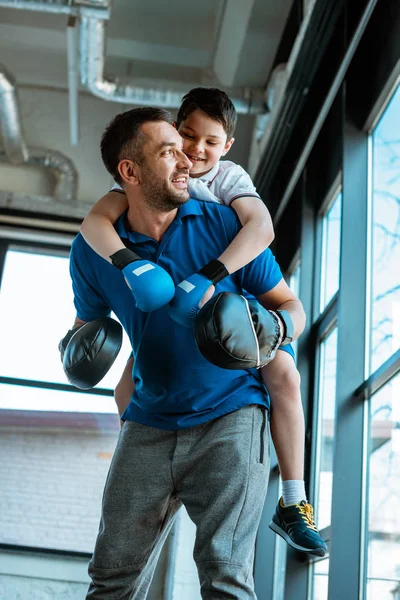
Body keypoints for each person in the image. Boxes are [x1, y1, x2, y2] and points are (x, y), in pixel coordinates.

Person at [66, 107, 324, 599]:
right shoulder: (93, 251)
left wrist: (269, 329)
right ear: (130, 171)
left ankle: (296, 504)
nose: (187, 160)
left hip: (231, 415)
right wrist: (74, 352)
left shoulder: (226, 226)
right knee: (110, 579)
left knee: (226, 577)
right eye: (170, 151)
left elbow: (292, 306)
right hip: (147, 422)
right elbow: (85, 325)